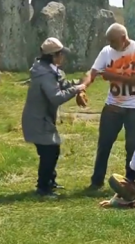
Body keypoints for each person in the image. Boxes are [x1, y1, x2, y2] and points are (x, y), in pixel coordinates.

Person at [81, 23, 135, 190]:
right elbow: (92, 72)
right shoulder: (106, 51)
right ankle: (96, 181)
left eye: (112, 41)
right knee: (104, 144)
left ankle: (129, 183)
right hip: (113, 105)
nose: (110, 44)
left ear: (123, 38)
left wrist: (114, 75)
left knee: (133, 146)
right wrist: (83, 87)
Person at [21, 38, 87, 198]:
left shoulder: (48, 69)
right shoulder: (44, 74)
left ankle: (50, 181)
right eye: (61, 54)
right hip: (38, 120)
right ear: (53, 56)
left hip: (41, 119)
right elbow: (56, 97)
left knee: (51, 150)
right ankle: (43, 188)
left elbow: (61, 84)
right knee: (50, 152)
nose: (63, 57)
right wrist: (76, 89)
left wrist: (76, 83)